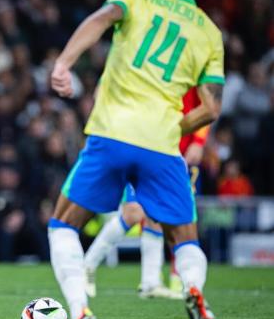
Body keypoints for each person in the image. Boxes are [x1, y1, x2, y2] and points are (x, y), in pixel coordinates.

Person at [47, 0, 224, 319]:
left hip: (111, 134)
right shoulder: (210, 33)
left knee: (63, 225)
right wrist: (169, 127)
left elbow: (100, 20)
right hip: (163, 147)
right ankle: (195, 292)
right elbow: (212, 108)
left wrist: (64, 63)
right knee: (184, 237)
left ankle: (79, 314)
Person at [84, 87, 210, 300]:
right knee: (134, 211)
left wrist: (198, 143)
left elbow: (207, 107)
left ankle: (152, 282)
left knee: (164, 218)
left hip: (178, 155)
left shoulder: (192, 65)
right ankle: (87, 265)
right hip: (145, 147)